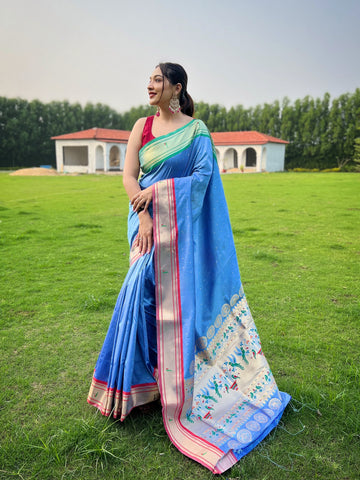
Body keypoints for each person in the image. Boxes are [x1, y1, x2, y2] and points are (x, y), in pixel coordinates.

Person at [87, 62, 290, 474]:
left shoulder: (196, 132)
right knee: (139, 297)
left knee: (163, 302)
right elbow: (129, 176)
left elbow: (201, 180)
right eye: (149, 78)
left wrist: (159, 192)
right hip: (144, 224)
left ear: (176, 87)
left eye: (158, 79)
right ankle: (139, 389)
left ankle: (168, 387)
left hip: (178, 229)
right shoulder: (141, 127)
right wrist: (142, 216)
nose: (150, 84)